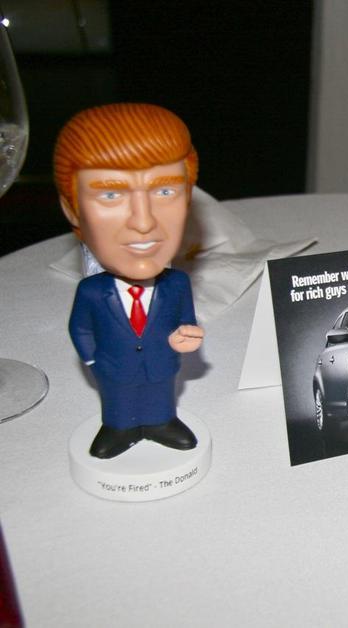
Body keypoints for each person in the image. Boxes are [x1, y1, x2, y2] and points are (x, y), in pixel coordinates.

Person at [55, 103, 204, 458]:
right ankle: (118, 427)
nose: (143, 221)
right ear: (72, 209)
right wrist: (93, 361)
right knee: (118, 402)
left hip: (161, 366)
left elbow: (186, 319)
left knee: (160, 397)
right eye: (111, 194)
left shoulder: (177, 284)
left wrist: (187, 336)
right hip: (114, 370)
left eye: (165, 191)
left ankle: (161, 421)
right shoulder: (92, 291)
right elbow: (80, 328)